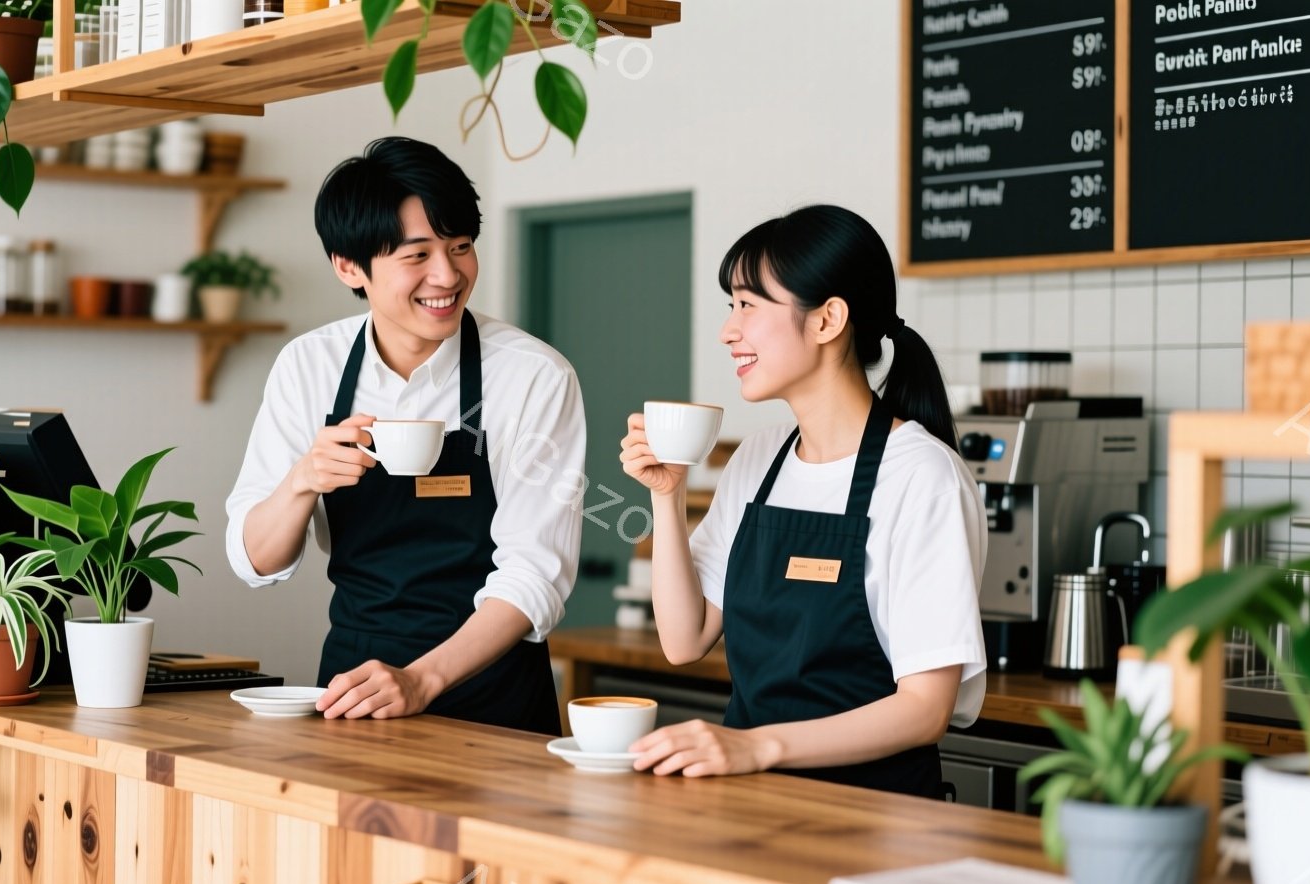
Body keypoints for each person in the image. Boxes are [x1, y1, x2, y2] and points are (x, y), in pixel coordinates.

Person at [618, 205, 986, 797]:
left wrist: (756, 745)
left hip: (875, 816)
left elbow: (925, 709)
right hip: (751, 803)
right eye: (729, 307)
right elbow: (684, 640)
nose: (727, 331)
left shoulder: (922, 476)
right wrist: (668, 496)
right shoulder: (758, 460)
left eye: (747, 306)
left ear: (826, 320)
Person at [225, 137, 585, 736]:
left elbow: (534, 576)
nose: (447, 275)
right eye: (416, 256)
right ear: (348, 266)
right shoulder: (309, 365)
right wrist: (301, 482)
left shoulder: (532, 376)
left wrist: (421, 680)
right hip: (355, 691)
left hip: (494, 703)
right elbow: (255, 559)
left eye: (461, 247)